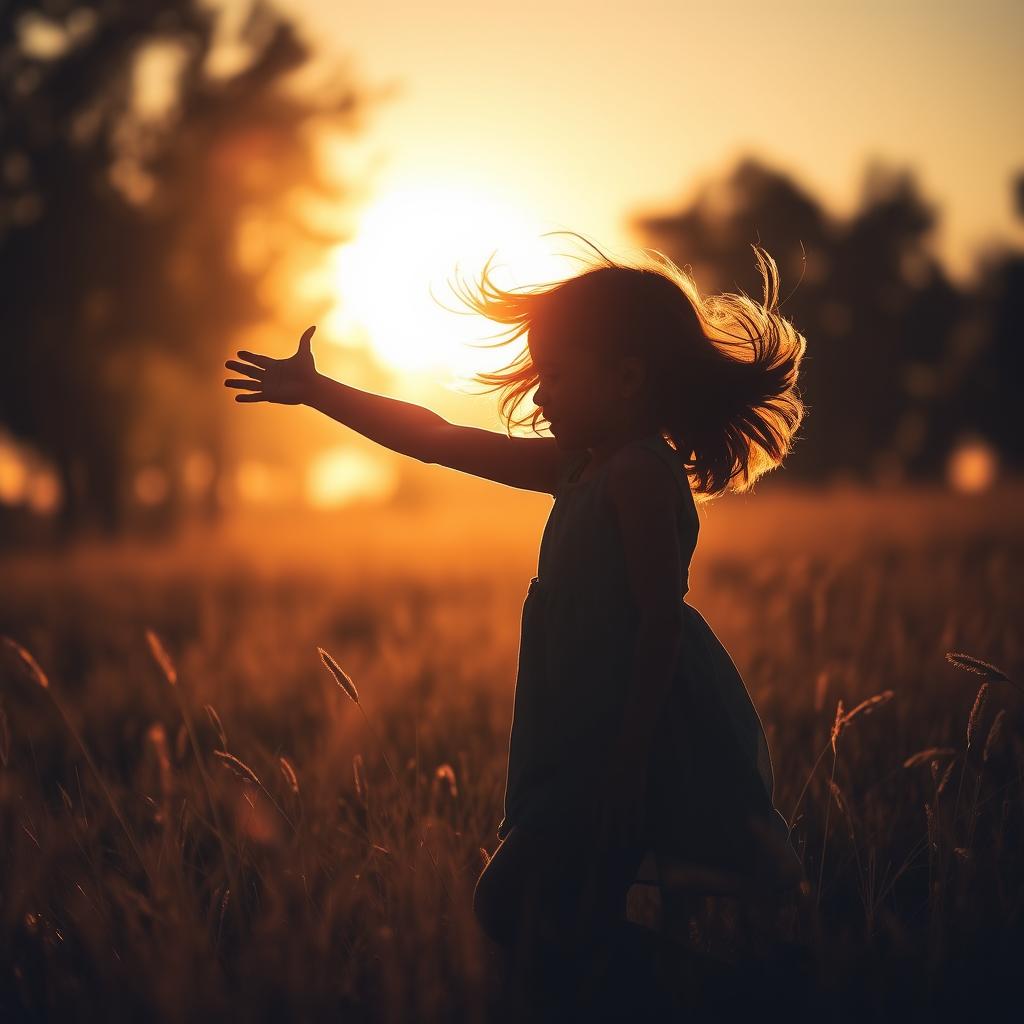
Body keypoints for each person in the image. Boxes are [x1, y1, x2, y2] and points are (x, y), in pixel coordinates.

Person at [224, 233, 808, 1018]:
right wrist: (324, 393)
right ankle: (730, 996)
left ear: (628, 378)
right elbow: (436, 439)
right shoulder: (582, 468)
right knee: (558, 924)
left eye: (558, 375)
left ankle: (739, 996)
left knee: (514, 908)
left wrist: (629, 762)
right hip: (570, 737)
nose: (539, 399)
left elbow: (661, 626)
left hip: (615, 742)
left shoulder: (635, 474)